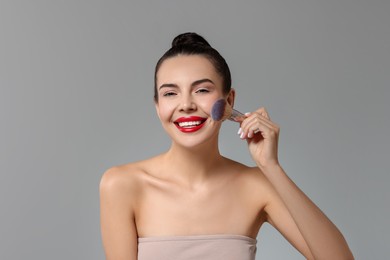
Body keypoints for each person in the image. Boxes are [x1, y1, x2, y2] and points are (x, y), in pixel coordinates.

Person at [99, 32, 354, 260]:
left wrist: (271, 166)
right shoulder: (122, 184)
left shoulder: (257, 185)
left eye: (201, 90)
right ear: (157, 106)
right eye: (170, 93)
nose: (186, 104)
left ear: (229, 100)